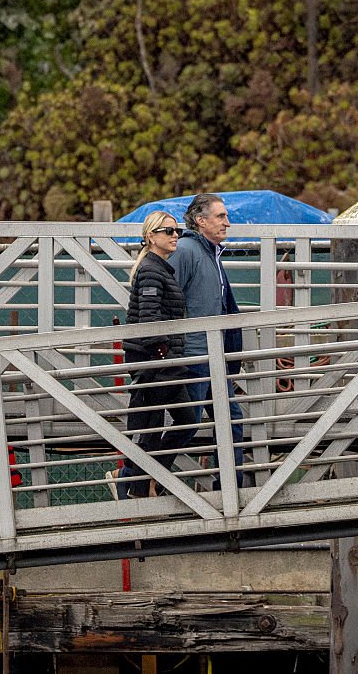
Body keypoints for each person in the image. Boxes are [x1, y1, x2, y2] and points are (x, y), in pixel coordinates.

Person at [169, 193, 247, 488]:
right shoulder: (187, 250)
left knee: (231, 421)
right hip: (194, 356)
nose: (227, 222)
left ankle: (229, 489)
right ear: (201, 221)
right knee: (187, 425)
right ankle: (135, 478)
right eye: (220, 217)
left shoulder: (211, 253)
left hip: (213, 357)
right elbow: (170, 299)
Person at [117, 211, 196, 499]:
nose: (175, 235)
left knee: (173, 422)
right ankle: (137, 485)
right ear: (151, 237)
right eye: (168, 231)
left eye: (177, 231)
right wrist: (162, 354)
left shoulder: (157, 268)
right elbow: (149, 316)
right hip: (155, 362)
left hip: (162, 361)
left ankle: (140, 482)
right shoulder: (151, 270)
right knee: (157, 426)